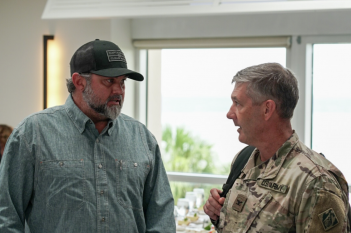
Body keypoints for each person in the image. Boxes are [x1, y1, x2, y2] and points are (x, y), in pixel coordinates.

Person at [0, 39, 175, 233]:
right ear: (79, 82)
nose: (119, 91)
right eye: (109, 81)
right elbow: (6, 217)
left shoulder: (143, 139)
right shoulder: (31, 135)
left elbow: (162, 218)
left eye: (122, 82)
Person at [203, 63, 350, 233]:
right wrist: (219, 216)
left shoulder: (316, 182)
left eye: (238, 103)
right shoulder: (244, 159)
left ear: (267, 109)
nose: (230, 114)